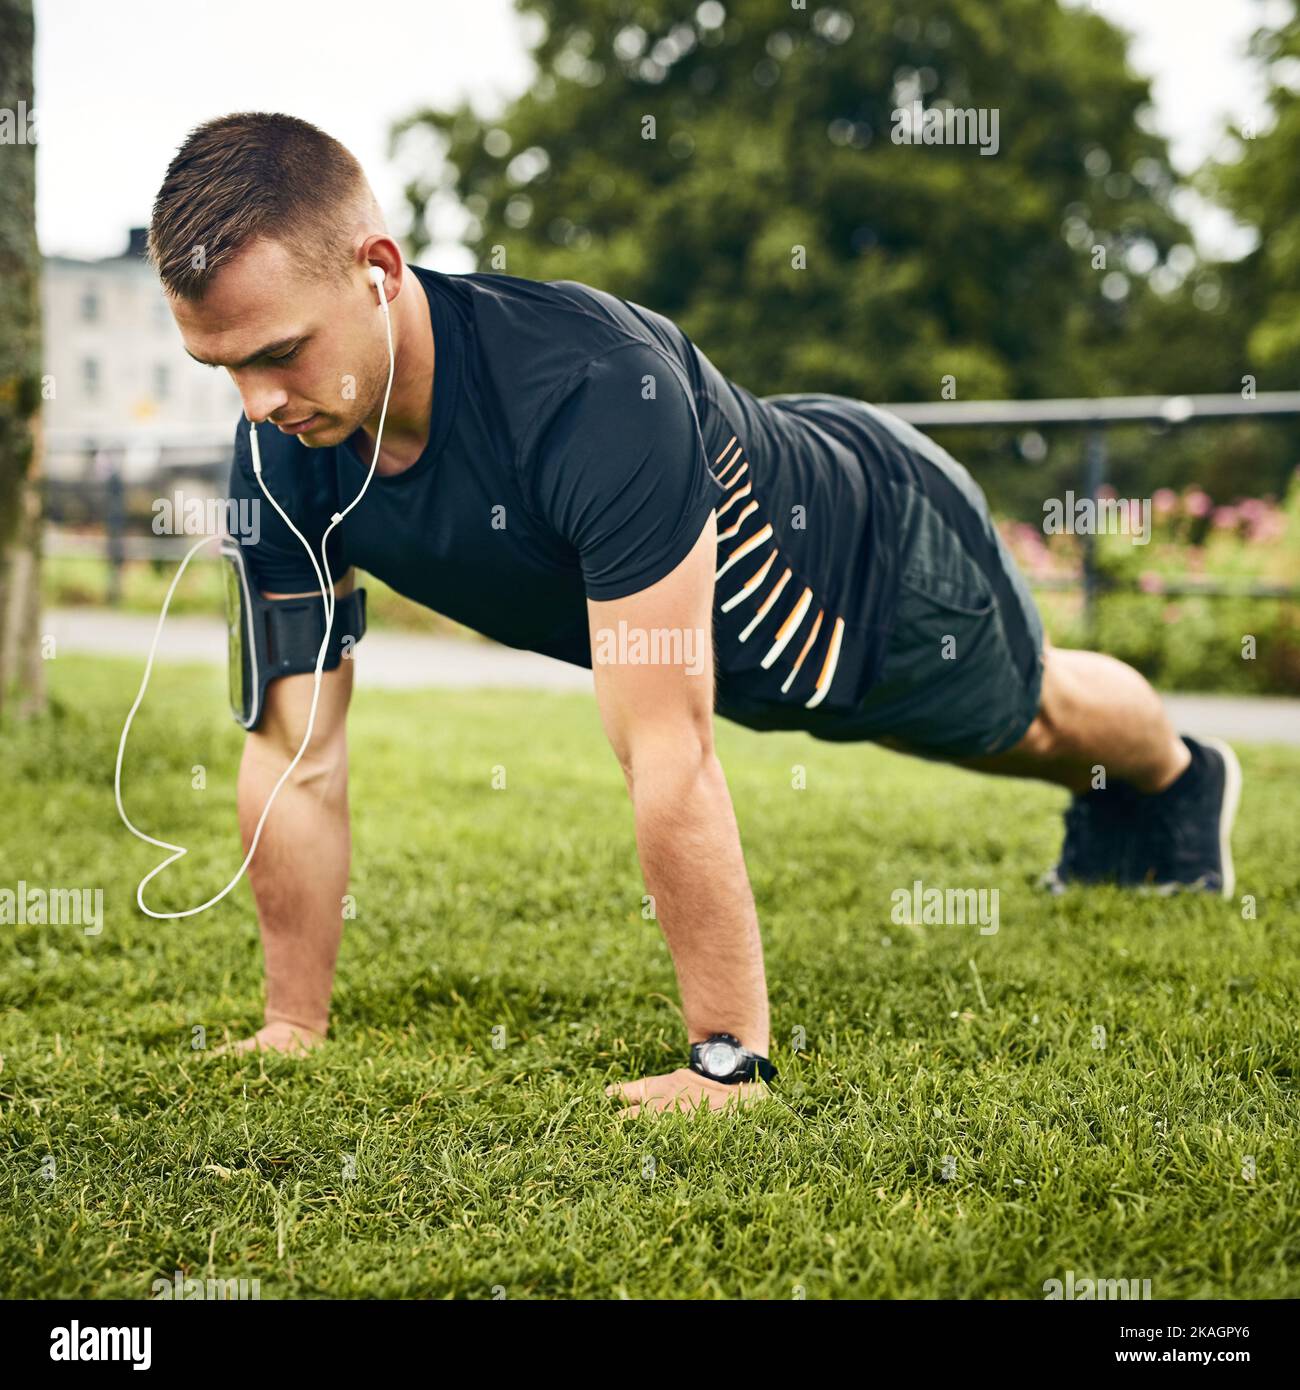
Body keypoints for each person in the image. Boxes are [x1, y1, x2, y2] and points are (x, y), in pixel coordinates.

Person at [146, 113, 1241, 1117]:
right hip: (735, 644)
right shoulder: (284, 451)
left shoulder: (586, 388)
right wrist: (291, 1025)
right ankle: (1130, 800)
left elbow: (663, 745)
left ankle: (1179, 779)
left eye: (280, 353)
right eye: (223, 368)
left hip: (871, 564)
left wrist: (726, 1056)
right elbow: (295, 749)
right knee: (996, 729)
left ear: (378, 269)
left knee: (1031, 720)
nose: (257, 404)